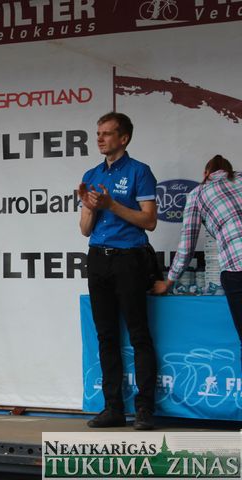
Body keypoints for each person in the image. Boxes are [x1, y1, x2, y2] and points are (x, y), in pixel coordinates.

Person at [78, 112, 158, 430]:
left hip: (129, 258)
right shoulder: (92, 174)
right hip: (98, 257)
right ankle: (112, 408)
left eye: (107, 133)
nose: (100, 138)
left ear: (123, 138)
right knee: (106, 335)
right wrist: (89, 207)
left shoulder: (140, 171)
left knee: (138, 334)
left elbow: (149, 221)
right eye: (98, 133)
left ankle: (144, 409)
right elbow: (85, 229)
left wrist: (112, 205)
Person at [166, 155, 242, 361]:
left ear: (206, 174)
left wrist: (169, 281)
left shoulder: (198, 193)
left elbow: (186, 247)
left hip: (237, 268)